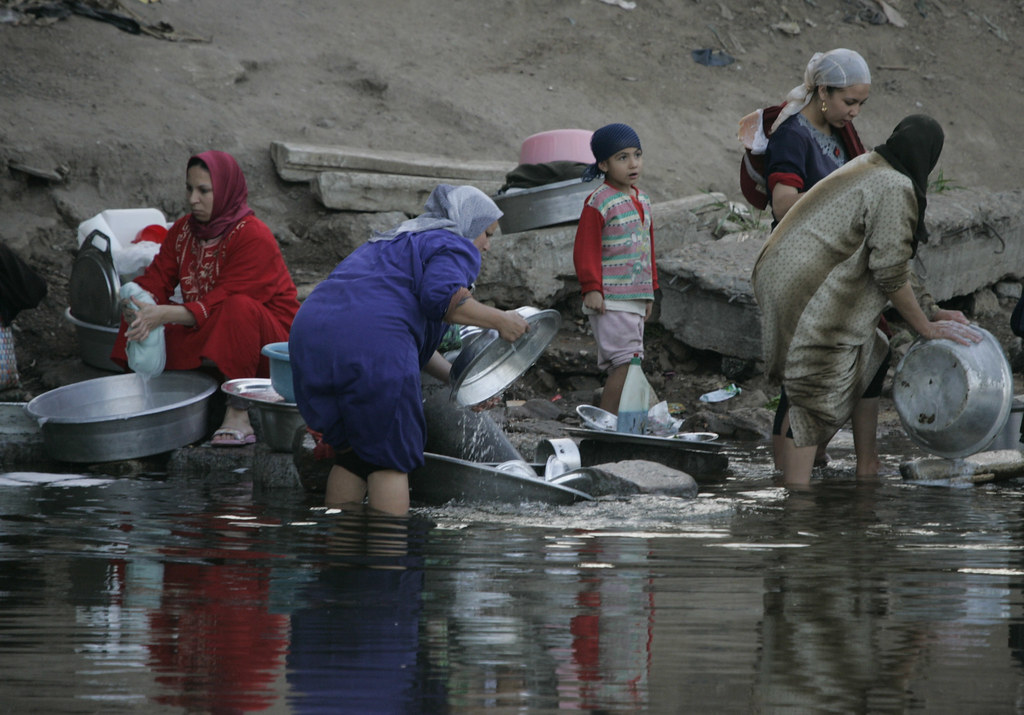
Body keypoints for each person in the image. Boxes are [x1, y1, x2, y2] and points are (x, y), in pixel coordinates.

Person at [751, 115, 981, 485]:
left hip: (781, 272)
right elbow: (889, 271)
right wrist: (925, 326)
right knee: (814, 386)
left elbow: (895, 258)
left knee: (874, 352)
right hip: (808, 287)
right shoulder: (894, 187)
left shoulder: (872, 163)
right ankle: (795, 501)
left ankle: (865, 464)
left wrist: (931, 307)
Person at [288, 184, 529, 516]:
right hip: (373, 345)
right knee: (390, 460)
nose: (486, 245)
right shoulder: (452, 243)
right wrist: (501, 320)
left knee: (354, 456)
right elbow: (443, 299)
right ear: (466, 223)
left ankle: (341, 552)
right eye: (486, 233)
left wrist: (460, 382)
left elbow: (395, 330)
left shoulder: (396, 239)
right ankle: (390, 557)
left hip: (311, 337)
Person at [112, 150, 300, 446]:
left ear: (225, 191)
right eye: (189, 188)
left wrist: (161, 315)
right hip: (211, 326)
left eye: (204, 191)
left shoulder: (253, 236)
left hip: (267, 347)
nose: (192, 199)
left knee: (237, 308)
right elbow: (157, 279)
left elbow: (223, 300)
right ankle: (144, 391)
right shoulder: (184, 231)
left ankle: (238, 412)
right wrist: (135, 303)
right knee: (139, 305)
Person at [573, 123, 658, 415]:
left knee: (628, 362)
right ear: (603, 164)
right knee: (626, 362)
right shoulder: (599, 201)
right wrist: (591, 288)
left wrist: (650, 292)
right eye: (622, 157)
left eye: (637, 155)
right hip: (610, 297)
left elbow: (648, 247)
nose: (633, 163)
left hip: (634, 296)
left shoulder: (643, 199)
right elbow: (586, 248)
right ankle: (607, 421)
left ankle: (621, 419)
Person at [764, 48, 871, 224]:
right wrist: (837, 193)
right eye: (849, 102)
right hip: (798, 244)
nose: (855, 112)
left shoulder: (841, 129)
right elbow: (782, 207)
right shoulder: (792, 136)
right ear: (823, 91)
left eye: (861, 104)